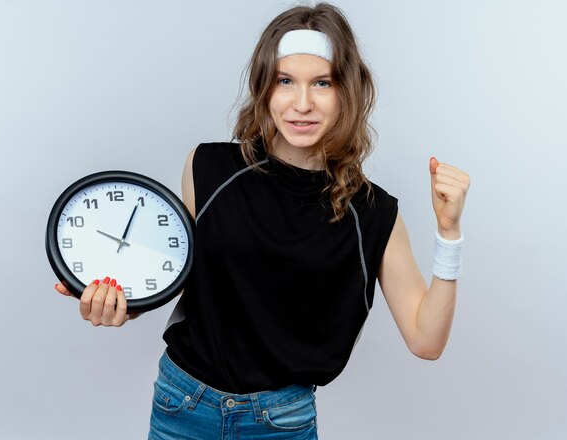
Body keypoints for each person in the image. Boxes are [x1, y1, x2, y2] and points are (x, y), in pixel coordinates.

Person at [54, 3, 470, 439]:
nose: (302, 103)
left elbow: (427, 340)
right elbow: (174, 277)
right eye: (285, 81)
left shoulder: (372, 212)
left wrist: (449, 234)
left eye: (322, 83)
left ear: (347, 91)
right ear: (264, 87)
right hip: (182, 405)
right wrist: (118, 302)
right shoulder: (208, 169)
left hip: (280, 421)